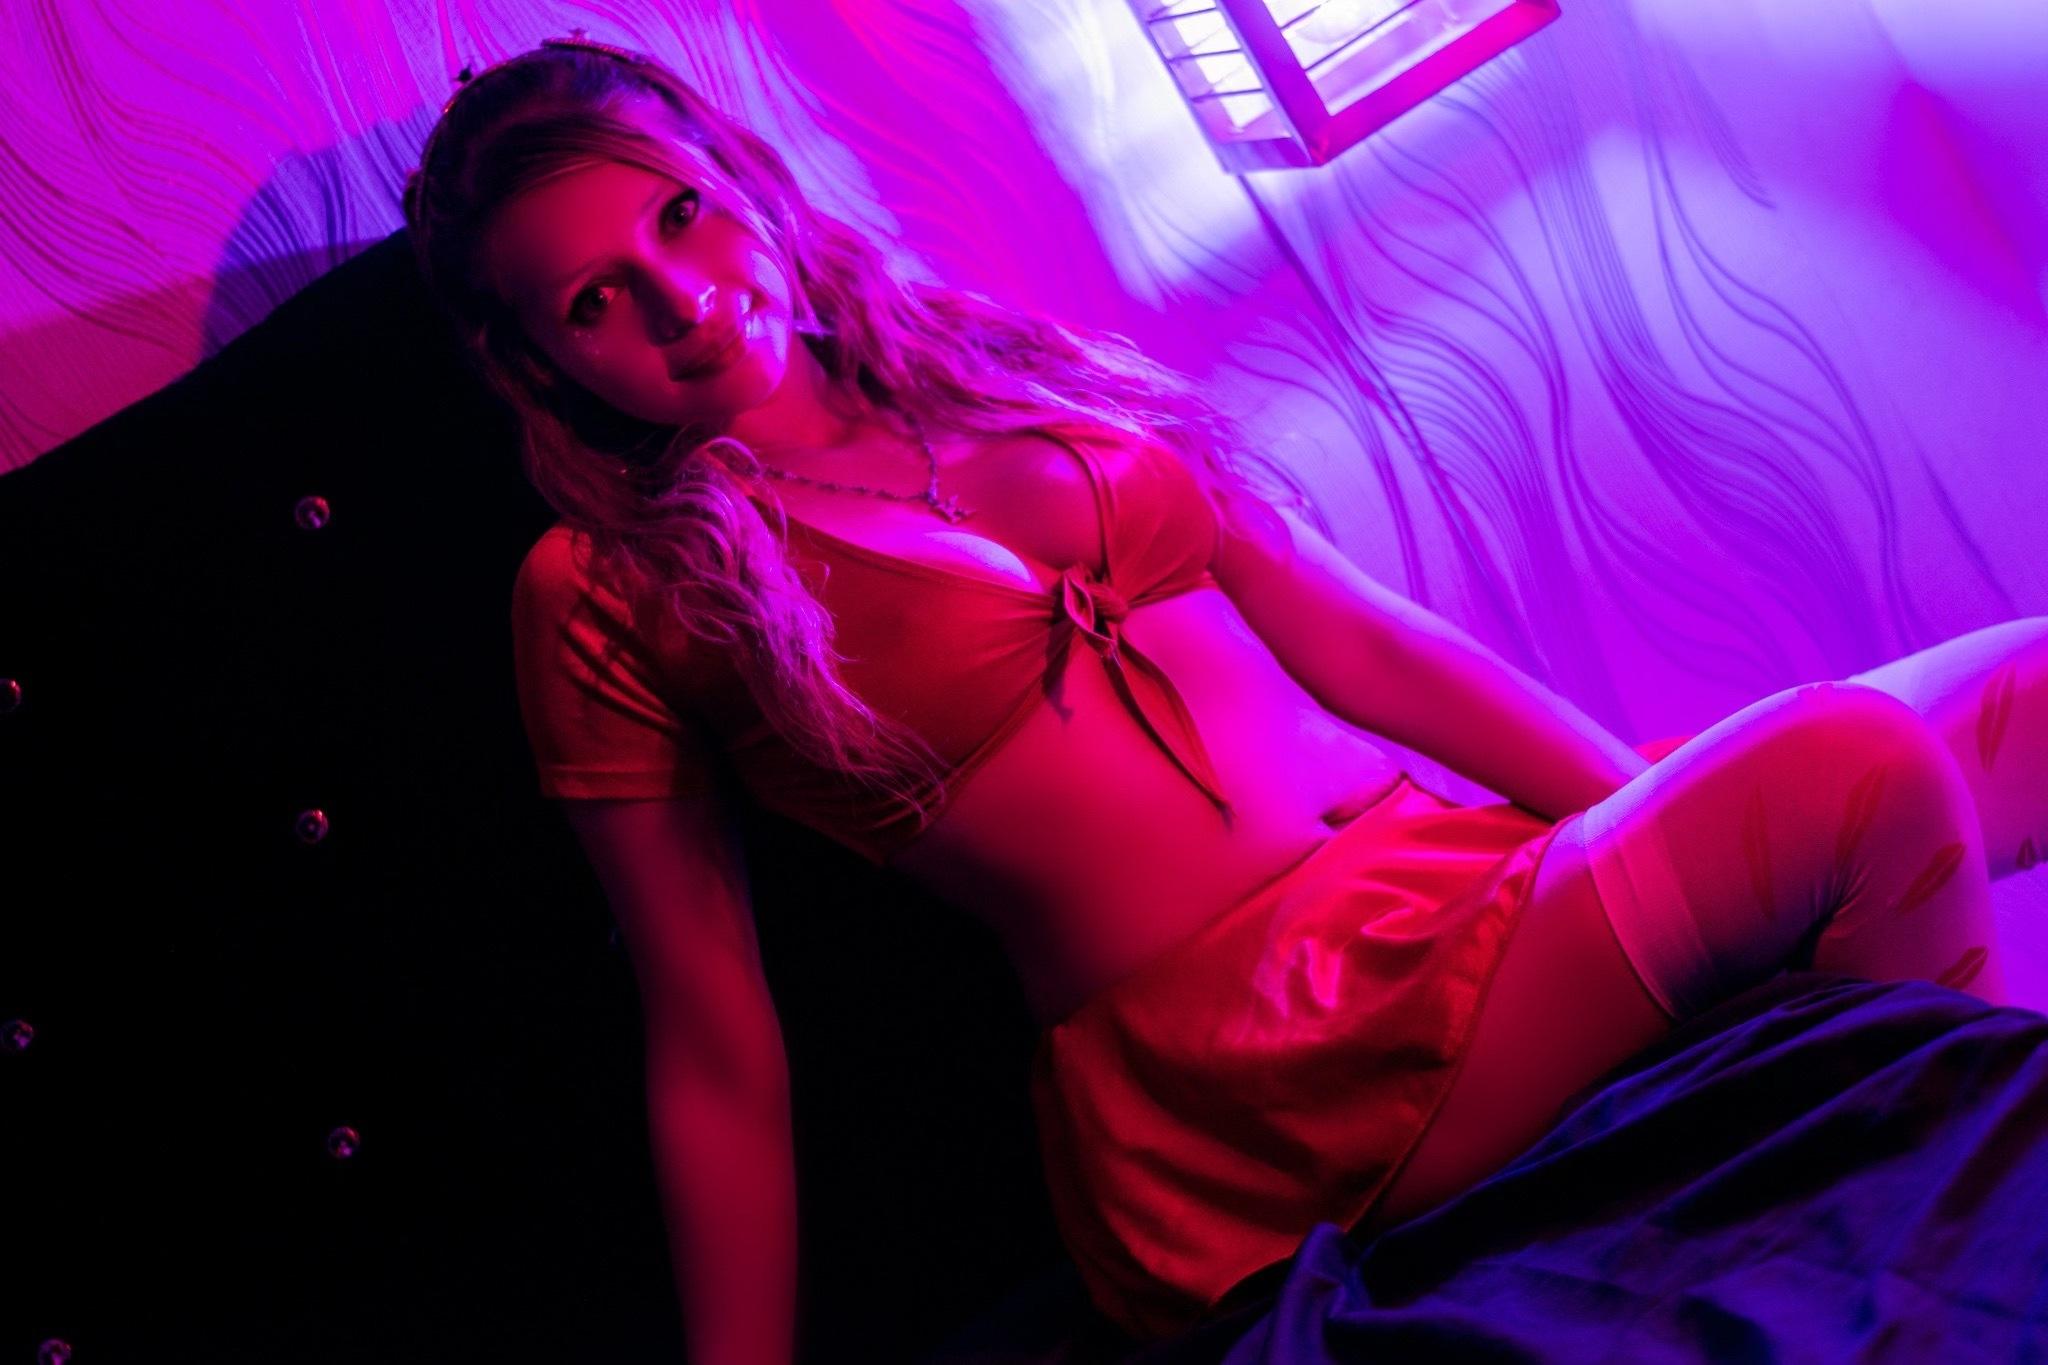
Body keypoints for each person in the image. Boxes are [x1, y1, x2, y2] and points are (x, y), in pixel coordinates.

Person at [401, 34, 2048, 1360]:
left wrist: (1648, 830)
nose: (680, 301)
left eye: (678, 216)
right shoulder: (611, 587)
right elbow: (712, 1033)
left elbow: (1364, 645)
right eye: (593, 301)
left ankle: (1881, 1164)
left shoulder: (977, 365)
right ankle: (1948, 1257)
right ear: (538, 366)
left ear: (740, 180)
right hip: (1261, 1062)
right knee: (1851, 762)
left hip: (1447, 890)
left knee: (2023, 689)